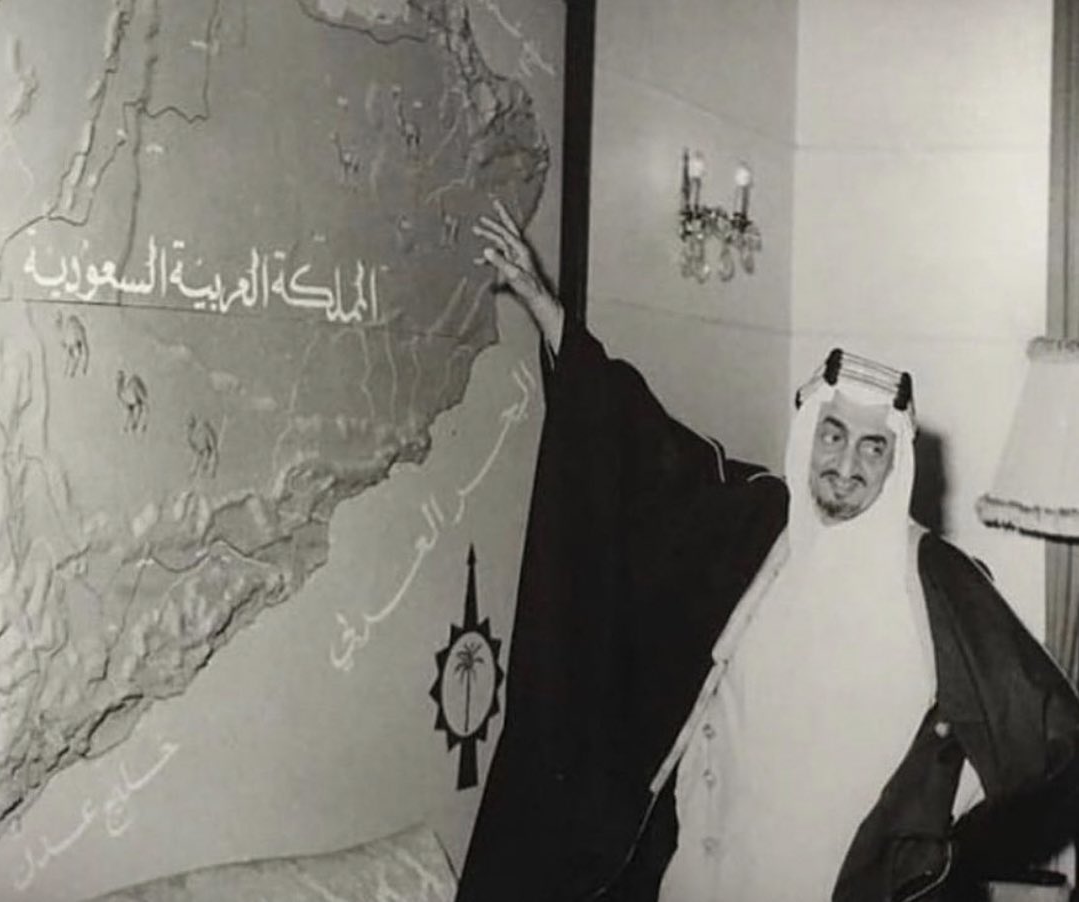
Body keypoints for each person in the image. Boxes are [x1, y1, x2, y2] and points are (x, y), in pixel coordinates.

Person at [456, 201, 1079, 902]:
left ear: (895, 462)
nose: (847, 465)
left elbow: (1046, 728)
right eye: (833, 436)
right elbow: (638, 442)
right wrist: (546, 309)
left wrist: (930, 816)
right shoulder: (754, 524)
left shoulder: (931, 576)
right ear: (808, 435)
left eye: (872, 447)